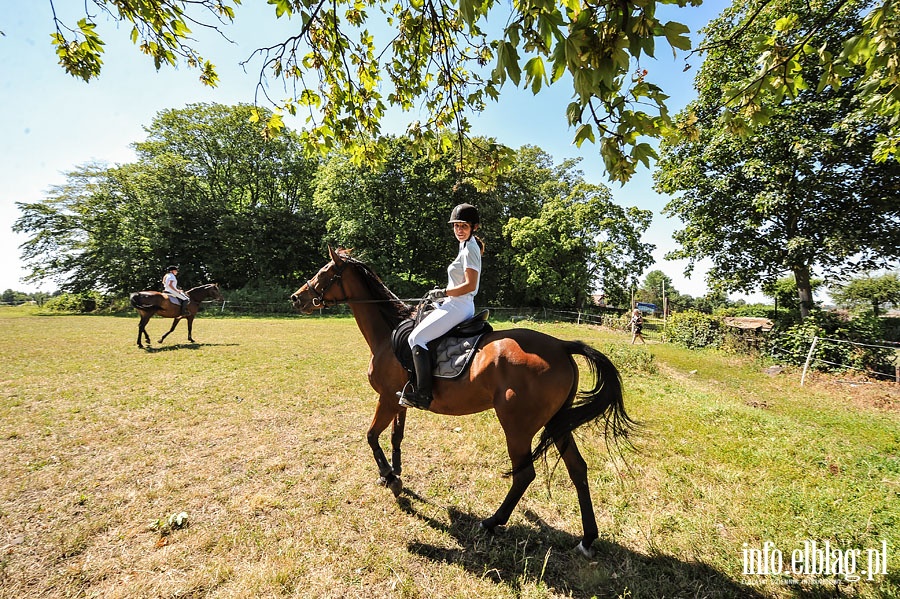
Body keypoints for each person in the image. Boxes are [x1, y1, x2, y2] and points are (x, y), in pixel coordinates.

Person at [398, 203, 484, 410]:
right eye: (456, 226)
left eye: (463, 226)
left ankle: (423, 394)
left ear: (474, 227)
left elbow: (471, 285)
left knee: (416, 337)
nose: (459, 230)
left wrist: (444, 293)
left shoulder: (471, 248)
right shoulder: (464, 245)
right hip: (454, 303)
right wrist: (441, 297)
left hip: (459, 305)